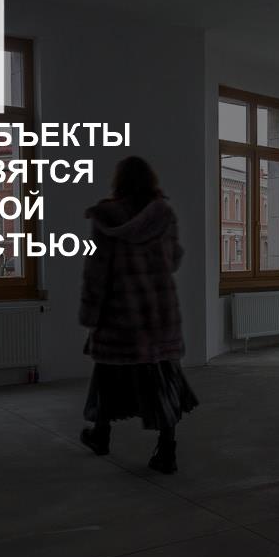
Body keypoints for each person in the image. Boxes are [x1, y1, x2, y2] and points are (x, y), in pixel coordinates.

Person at [78, 156, 197, 473]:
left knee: (107, 375)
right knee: (163, 379)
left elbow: (96, 271)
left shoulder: (106, 218)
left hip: (120, 313)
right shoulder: (163, 214)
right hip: (158, 313)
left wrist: (90, 314)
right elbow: (173, 260)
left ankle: (101, 435)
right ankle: (166, 451)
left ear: (118, 182)